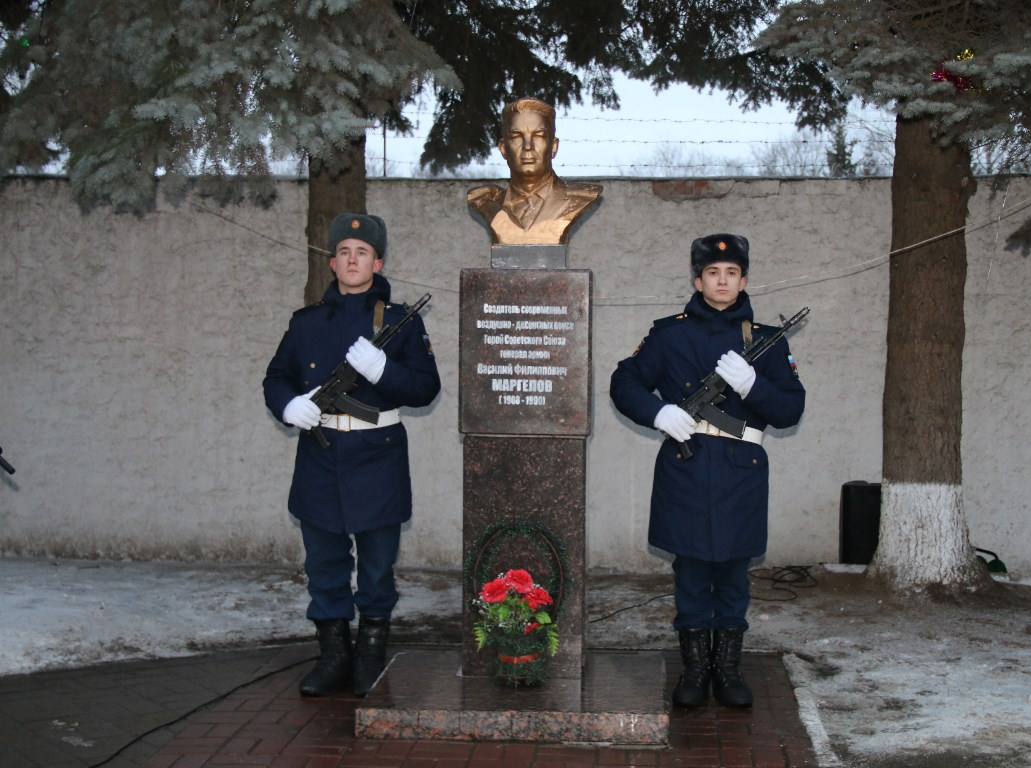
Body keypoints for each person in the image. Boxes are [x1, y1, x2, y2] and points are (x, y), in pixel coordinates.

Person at [609, 234, 806, 709]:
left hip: (741, 468)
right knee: (692, 573)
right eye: (713, 273)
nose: (722, 280)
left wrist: (755, 385)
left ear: (743, 280)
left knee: (734, 575)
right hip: (688, 467)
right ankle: (696, 671)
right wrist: (657, 414)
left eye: (732, 273)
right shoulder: (669, 335)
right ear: (698, 279)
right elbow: (624, 381)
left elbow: (790, 409)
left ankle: (729, 670)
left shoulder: (766, 342)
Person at [263, 213, 440, 697]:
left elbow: (426, 387)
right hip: (320, 457)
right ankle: (334, 656)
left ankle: (369, 655)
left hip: (377, 456)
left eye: (362, 252)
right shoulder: (306, 322)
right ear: (334, 262)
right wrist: (289, 405)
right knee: (324, 562)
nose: (352, 259)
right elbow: (276, 377)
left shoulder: (401, 321)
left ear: (377, 261)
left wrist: (385, 371)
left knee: (377, 566)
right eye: (343, 252)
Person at [467, 97, 601, 245]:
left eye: (538, 136)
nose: (528, 146)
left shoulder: (580, 198)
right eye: (516, 137)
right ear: (503, 148)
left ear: (553, 147)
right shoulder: (486, 201)